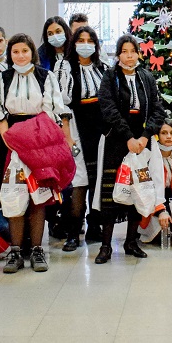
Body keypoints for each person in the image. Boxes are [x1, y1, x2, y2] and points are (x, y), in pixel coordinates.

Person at [0, 33, 72, 274]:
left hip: (39, 137)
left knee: (39, 195)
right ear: (10, 54)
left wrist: (37, 139)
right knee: (13, 194)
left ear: (32, 52)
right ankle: (15, 252)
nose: (20, 55)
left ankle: (37, 250)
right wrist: (7, 136)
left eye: (24, 51)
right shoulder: (2, 79)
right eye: (15, 51)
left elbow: (52, 110)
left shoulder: (46, 77)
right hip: (11, 140)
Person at [95, 36, 167, 264]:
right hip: (117, 140)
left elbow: (158, 109)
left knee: (139, 188)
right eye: (124, 51)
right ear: (118, 54)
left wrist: (145, 136)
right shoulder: (110, 76)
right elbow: (108, 109)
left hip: (142, 141)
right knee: (111, 194)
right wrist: (128, 137)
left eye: (132, 51)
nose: (129, 56)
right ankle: (105, 246)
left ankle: (131, 242)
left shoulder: (146, 77)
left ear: (138, 53)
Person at [57, 25, 107, 250]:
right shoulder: (65, 67)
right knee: (79, 182)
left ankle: (95, 226)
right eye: (81, 40)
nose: (85, 45)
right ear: (73, 43)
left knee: (98, 180)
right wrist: (67, 136)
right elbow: (62, 104)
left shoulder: (102, 67)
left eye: (90, 40)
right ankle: (73, 232)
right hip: (77, 126)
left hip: (100, 128)